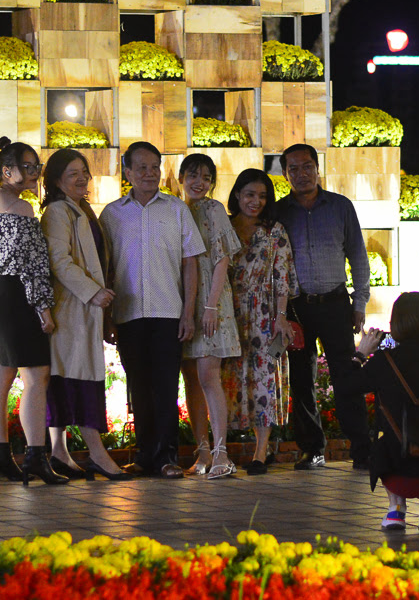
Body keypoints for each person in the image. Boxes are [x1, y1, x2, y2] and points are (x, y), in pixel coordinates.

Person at [99, 141, 205, 479]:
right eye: (141, 167)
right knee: (138, 387)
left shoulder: (176, 209)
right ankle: (145, 456)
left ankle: (167, 457)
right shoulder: (112, 214)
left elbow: (191, 263)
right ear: (127, 172)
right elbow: (106, 268)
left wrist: (188, 312)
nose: (149, 173)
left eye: (155, 167)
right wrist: (107, 316)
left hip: (168, 312)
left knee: (165, 386)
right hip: (128, 314)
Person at [338, 292, 419, 531]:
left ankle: (396, 509)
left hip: (399, 467)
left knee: (386, 433)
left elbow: (347, 387)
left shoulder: (385, 361)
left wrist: (361, 354)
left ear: (396, 324)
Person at [0, 137, 67, 485]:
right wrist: (44, 309)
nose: (33, 173)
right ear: (6, 170)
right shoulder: (22, 209)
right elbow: (32, 265)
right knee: (35, 377)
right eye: (26, 167)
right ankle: (35, 455)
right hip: (18, 298)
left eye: (36, 167)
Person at [277, 143, 371, 471]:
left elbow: (358, 255)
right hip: (297, 309)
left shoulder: (341, 207)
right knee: (302, 380)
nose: (301, 174)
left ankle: (362, 447)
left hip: (335, 304)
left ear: (318, 169)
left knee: (346, 376)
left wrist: (359, 303)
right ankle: (312, 449)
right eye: (293, 169)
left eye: (306, 167)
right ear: (285, 173)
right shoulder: (279, 212)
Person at [40, 149, 126, 481]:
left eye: (84, 172)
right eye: (73, 172)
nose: (81, 178)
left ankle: (60, 452)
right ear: (57, 179)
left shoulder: (81, 209)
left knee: (70, 377)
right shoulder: (57, 212)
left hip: (86, 310)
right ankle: (96, 453)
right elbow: (58, 261)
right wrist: (93, 291)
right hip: (71, 308)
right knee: (76, 378)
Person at [223, 168, 298, 475]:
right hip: (229, 311)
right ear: (237, 195)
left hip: (265, 314)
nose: (256, 202)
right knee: (228, 376)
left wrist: (281, 317)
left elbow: (282, 276)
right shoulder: (223, 226)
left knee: (264, 378)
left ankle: (260, 451)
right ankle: (219, 451)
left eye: (263, 196)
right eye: (250, 194)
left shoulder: (274, 230)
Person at [178, 154, 242, 479]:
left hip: (211, 301)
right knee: (191, 379)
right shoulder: (176, 209)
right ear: (180, 178)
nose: (198, 182)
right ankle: (201, 449)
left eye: (205, 177)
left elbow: (222, 260)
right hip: (184, 303)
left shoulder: (214, 210)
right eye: (192, 175)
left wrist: (211, 306)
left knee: (208, 376)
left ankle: (221, 452)